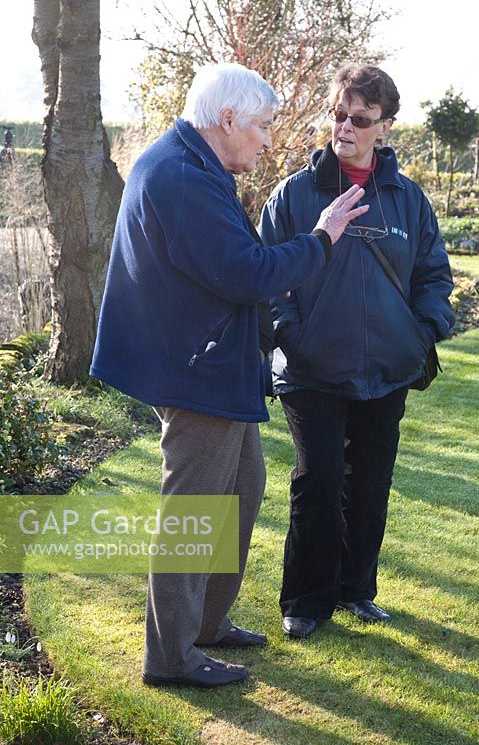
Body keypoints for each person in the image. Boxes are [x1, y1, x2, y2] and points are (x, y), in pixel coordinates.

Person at [90, 62, 370, 687]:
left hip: (213, 366)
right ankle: (171, 658)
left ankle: (207, 625)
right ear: (227, 120)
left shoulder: (190, 165)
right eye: (264, 127)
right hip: (197, 371)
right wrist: (322, 237)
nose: (268, 139)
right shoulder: (182, 176)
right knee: (193, 514)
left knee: (242, 488)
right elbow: (247, 273)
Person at [259, 63, 455, 639]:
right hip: (311, 371)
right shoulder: (295, 194)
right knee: (316, 483)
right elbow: (270, 279)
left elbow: (434, 277)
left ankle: (356, 590)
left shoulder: (407, 201)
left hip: (385, 373)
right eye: (339, 114)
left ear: (384, 127)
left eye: (360, 118)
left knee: (368, 486)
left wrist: (421, 335)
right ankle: (305, 600)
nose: (345, 126)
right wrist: (292, 337)